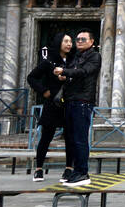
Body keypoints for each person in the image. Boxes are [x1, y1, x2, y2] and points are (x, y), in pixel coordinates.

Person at [54, 30, 101, 187]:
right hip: (71, 100)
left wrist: (65, 71)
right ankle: (75, 171)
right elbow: (74, 73)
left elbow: (84, 72)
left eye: (83, 39)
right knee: (72, 139)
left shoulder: (94, 56)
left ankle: (82, 173)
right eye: (78, 39)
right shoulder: (76, 56)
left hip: (83, 101)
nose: (79, 41)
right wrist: (64, 76)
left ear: (91, 41)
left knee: (80, 139)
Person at [26, 33, 73, 182]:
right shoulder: (48, 62)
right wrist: (44, 91)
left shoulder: (74, 61)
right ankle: (39, 169)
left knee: (70, 137)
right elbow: (31, 77)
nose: (69, 44)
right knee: (46, 136)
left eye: (71, 41)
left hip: (69, 103)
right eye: (66, 41)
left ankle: (68, 169)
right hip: (53, 103)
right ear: (59, 42)